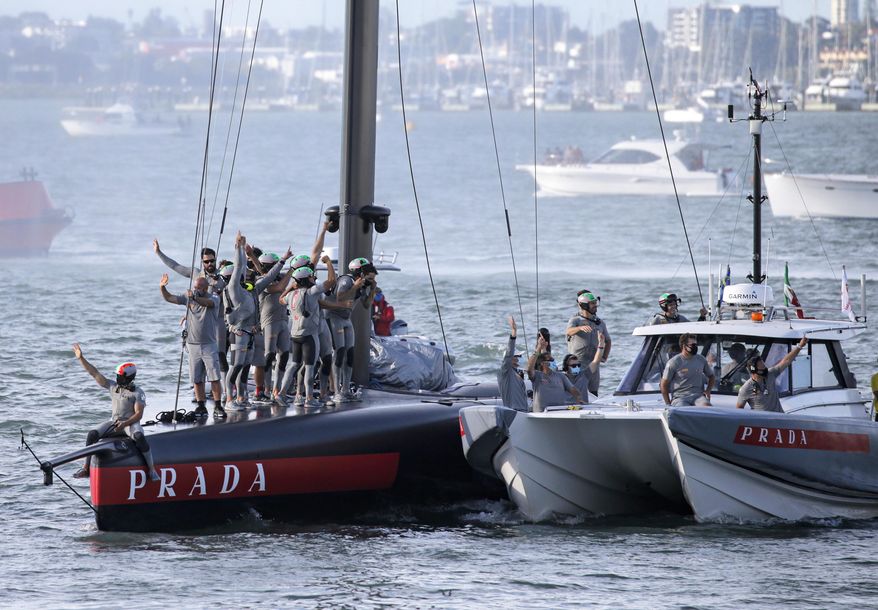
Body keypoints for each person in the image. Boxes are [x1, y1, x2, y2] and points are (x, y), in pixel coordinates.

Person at [71, 343, 160, 482]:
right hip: (114, 422)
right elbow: (94, 373)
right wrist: (81, 358)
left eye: (120, 376)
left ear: (129, 377)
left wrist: (125, 424)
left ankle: (152, 469)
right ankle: (85, 468)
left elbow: (139, 415)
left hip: (130, 424)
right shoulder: (113, 386)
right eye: (117, 376)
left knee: (139, 437)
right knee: (92, 434)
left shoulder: (137, 393)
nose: (118, 379)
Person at [224, 232, 287, 410]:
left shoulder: (254, 290)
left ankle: (242, 397)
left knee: (244, 367)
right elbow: (238, 268)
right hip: (238, 332)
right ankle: (229, 399)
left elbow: (267, 276)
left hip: (250, 333)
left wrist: (283, 261)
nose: (251, 278)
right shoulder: (234, 290)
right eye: (248, 276)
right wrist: (239, 248)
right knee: (236, 365)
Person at [153, 239, 229, 370]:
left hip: (217, 320)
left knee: (220, 355)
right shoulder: (196, 273)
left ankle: (227, 387)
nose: (210, 264)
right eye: (206, 261)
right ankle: (204, 384)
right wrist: (159, 252)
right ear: (202, 262)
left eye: (212, 261)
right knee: (199, 357)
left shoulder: (222, 276)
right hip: (197, 322)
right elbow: (175, 266)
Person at [159, 273, 224, 419]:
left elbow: (207, 304)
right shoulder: (188, 298)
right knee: (196, 378)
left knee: (214, 377)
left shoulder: (214, 298)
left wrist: (194, 298)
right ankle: (201, 406)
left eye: (199, 288)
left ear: (205, 288)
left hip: (209, 344)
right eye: (195, 287)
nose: (196, 290)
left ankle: (218, 405)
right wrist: (162, 287)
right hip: (192, 344)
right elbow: (169, 298)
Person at [278, 255, 337, 407]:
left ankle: (281, 394)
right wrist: (329, 263)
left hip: (295, 335)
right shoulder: (312, 292)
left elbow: (280, 299)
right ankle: (309, 398)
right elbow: (331, 282)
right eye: (311, 276)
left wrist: (291, 286)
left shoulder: (291, 295)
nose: (313, 278)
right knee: (310, 366)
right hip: (309, 335)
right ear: (307, 279)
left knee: (294, 364)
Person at [324, 257, 378, 402]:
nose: (368, 277)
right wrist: (355, 287)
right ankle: (336, 391)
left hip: (346, 319)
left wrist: (371, 290)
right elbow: (340, 297)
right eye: (366, 272)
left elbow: (367, 305)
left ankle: (346, 389)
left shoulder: (363, 284)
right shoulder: (346, 281)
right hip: (334, 317)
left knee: (350, 353)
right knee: (340, 352)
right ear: (358, 272)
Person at [736, 337, 808, 412]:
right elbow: (739, 410)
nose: (765, 370)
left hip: (779, 418)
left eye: (765, 367)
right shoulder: (745, 389)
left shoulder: (770, 374)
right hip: (762, 422)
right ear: (754, 371)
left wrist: (799, 346)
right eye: (762, 369)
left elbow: (786, 361)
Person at [565, 290, 611, 395]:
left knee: (593, 391)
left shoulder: (600, 322)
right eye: (593, 304)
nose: (596, 306)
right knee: (578, 391)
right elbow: (569, 331)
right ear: (584, 306)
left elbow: (608, 340)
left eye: (596, 303)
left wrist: (604, 357)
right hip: (578, 363)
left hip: (594, 363)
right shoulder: (575, 320)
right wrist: (580, 328)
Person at [528, 335, 584, 413]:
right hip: (542, 414)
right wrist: (538, 348)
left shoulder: (561, 376)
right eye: (550, 360)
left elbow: (573, 390)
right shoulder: (537, 376)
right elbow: (530, 368)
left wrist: (579, 398)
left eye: (553, 359)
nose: (553, 361)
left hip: (559, 413)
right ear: (543, 363)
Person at [661, 333, 715, 406]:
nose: (695, 347)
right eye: (693, 345)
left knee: (707, 408)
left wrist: (708, 390)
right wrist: (668, 404)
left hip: (698, 396)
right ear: (684, 346)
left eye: (696, 345)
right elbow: (664, 384)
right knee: (684, 411)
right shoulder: (673, 362)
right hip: (680, 398)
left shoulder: (701, 359)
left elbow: (711, 376)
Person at [561, 331, 605, 404]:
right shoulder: (561, 377)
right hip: (566, 409)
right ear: (566, 367)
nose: (577, 367)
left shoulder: (584, 375)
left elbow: (596, 361)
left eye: (578, 365)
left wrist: (601, 344)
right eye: (574, 366)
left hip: (583, 408)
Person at [497, 316, 528, 411]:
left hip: (523, 411)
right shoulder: (505, 371)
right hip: (513, 411)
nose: (520, 359)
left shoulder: (517, 373)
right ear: (512, 359)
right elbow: (509, 354)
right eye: (518, 356)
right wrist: (514, 333)